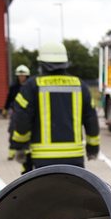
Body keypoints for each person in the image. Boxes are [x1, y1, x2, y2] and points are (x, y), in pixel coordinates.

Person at [10, 41, 100, 170]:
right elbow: (91, 118)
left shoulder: (32, 85)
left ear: (41, 63)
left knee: (44, 190)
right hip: (74, 158)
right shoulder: (80, 85)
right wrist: (93, 148)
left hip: (42, 158)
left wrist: (19, 147)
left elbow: (22, 118)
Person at [2, 64, 30, 161]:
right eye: (19, 76)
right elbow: (9, 98)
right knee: (12, 131)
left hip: (28, 112)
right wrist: (5, 108)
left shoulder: (30, 87)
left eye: (23, 76)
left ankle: (26, 151)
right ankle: (11, 152)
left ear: (27, 76)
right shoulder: (14, 87)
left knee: (27, 131)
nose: (21, 78)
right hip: (16, 112)